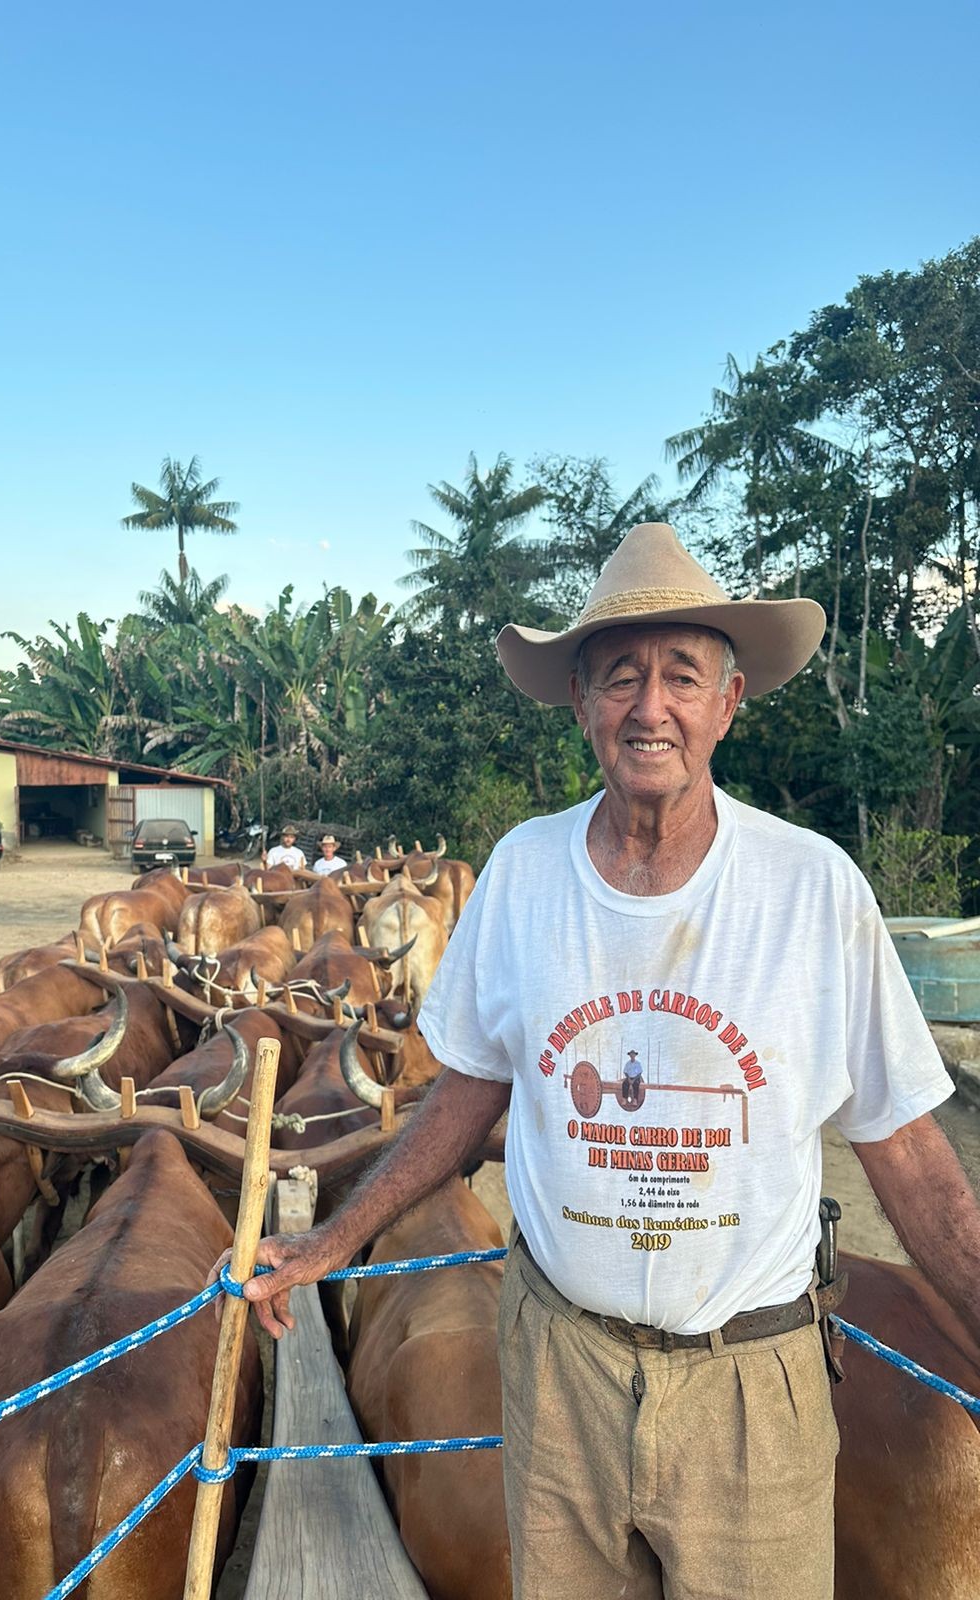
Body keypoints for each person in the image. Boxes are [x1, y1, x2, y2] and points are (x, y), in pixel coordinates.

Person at [228, 523, 980, 1599]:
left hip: (749, 1387)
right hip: (560, 1368)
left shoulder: (812, 890)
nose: (649, 705)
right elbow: (462, 1100)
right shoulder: (524, 873)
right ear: (580, 703)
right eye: (620, 676)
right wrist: (331, 1242)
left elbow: (903, 1144)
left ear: (728, 703)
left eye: (682, 674)